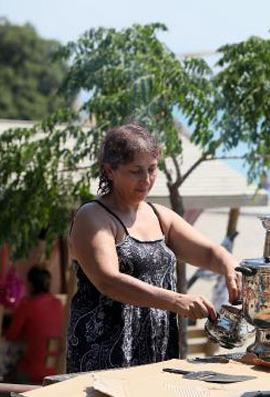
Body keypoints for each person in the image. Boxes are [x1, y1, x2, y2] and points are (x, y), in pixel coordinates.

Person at [66, 124, 241, 374]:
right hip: (104, 354)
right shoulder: (92, 216)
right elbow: (108, 281)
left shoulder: (159, 215)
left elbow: (210, 253)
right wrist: (177, 300)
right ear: (109, 171)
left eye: (152, 169)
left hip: (157, 350)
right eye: (136, 171)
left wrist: (230, 267)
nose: (146, 180)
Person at [5, 267, 63, 384]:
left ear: (30, 285)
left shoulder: (27, 306)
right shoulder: (59, 304)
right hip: (54, 372)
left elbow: (11, 336)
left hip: (31, 373)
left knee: (5, 374)